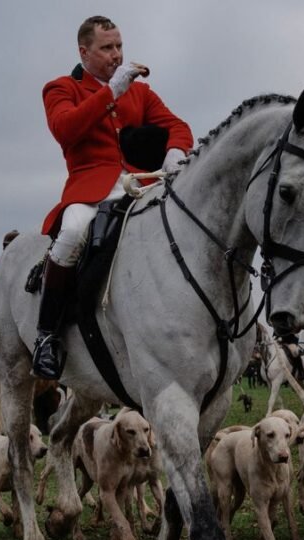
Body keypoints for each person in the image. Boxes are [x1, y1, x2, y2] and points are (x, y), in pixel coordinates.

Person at [32, 15, 193, 380]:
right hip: (91, 186)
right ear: (84, 52)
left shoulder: (141, 91)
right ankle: (47, 335)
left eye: (119, 46)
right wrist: (111, 93)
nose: (117, 55)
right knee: (72, 232)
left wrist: (176, 150)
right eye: (107, 48)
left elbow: (177, 125)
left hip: (143, 181)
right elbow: (65, 130)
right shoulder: (60, 88)